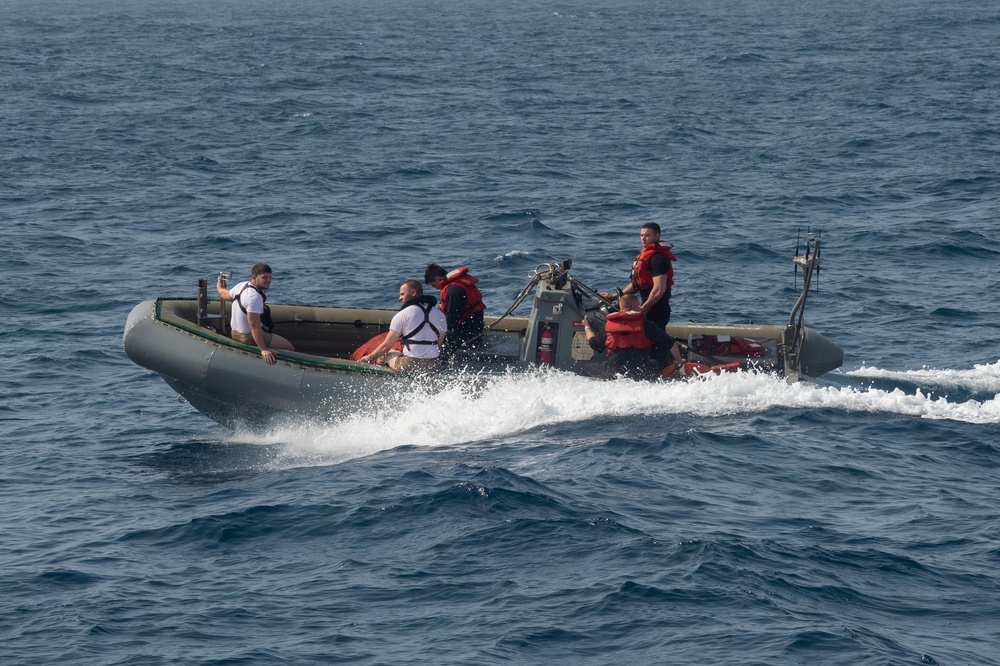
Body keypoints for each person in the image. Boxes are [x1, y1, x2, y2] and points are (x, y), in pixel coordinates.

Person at [583, 294, 683, 380]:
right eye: (639, 306)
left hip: (614, 371)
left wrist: (587, 326)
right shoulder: (646, 325)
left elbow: (594, 344)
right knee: (660, 359)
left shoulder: (608, 326)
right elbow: (670, 343)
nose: (640, 308)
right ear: (633, 306)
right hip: (642, 370)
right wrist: (679, 360)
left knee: (585, 369)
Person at [359, 279, 447, 373]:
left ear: (413, 292)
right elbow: (439, 343)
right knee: (397, 353)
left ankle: (384, 380)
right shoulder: (440, 314)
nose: (399, 298)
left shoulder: (402, 315)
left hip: (410, 365)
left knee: (384, 354)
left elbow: (386, 346)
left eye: (402, 294)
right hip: (433, 365)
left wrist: (369, 357)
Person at [216, 263, 295, 365]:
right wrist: (263, 349)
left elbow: (224, 294)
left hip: (235, 334)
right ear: (254, 277)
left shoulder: (241, 285)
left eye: (270, 277)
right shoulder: (254, 297)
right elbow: (254, 326)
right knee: (289, 347)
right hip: (247, 337)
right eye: (264, 277)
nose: (268, 280)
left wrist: (219, 285)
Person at [602, 222, 676, 329]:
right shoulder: (646, 256)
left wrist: (644, 309)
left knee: (654, 340)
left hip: (658, 309)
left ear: (657, 236)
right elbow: (637, 284)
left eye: (647, 235)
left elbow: (659, 289)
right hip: (647, 305)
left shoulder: (658, 259)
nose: (643, 239)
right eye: (641, 235)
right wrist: (612, 297)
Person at [424, 263, 486, 357]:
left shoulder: (454, 290)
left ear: (438, 279)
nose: (436, 288)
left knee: (434, 338)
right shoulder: (457, 285)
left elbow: (452, 318)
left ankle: (439, 365)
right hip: (474, 327)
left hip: (469, 332)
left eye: (434, 285)